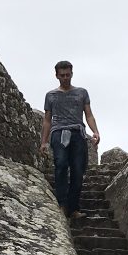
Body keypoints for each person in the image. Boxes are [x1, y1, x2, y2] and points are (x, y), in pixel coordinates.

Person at [40, 60, 100, 220]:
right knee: (60, 165)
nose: (65, 78)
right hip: (58, 133)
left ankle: (73, 209)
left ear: (72, 74)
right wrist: (44, 142)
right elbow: (47, 120)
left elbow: (88, 114)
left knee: (78, 170)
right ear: (57, 76)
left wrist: (95, 132)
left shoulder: (82, 92)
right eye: (62, 75)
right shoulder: (51, 95)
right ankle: (62, 205)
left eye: (68, 75)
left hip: (78, 134)